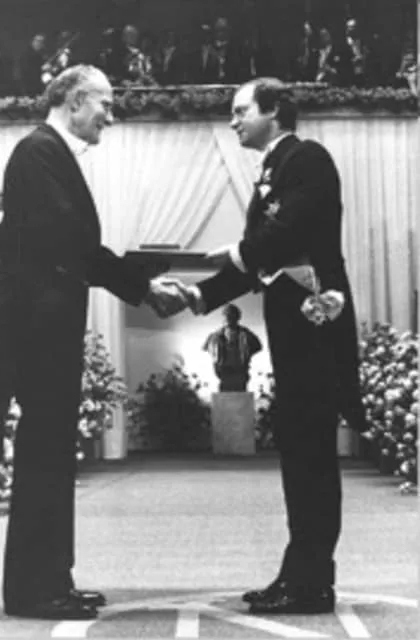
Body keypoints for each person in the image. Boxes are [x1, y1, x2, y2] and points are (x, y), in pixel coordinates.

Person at [0, 64, 187, 621]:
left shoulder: (47, 153)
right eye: (105, 104)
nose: (111, 117)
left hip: (49, 327)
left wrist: (138, 282)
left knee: (53, 453)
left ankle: (52, 579)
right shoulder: (38, 153)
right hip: (41, 331)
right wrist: (142, 286)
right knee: (44, 454)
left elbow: (75, 246)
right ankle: (34, 590)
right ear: (75, 100)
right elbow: (72, 243)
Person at [170, 78, 367, 614]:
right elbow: (265, 257)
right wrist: (200, 295)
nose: (232, 121)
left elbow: (282, 236)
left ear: (274, 110)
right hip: (295, 332)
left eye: (241, 111)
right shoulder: (277, 167)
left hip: (315, 327)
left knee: (312, 454)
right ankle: (300, 573)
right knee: (299, 451)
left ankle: (312, 582)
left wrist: (237, 251)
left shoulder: (307, 159)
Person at [202, 303, 261, 391]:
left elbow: (257, 346)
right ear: (224, 317)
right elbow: (205, 347)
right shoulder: (215, 336)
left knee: (240, 396)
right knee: (224, 396)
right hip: (223, 373)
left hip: (240, 373)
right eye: (227, 315)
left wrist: (246, 355)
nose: (229, 317)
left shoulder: (246, 334)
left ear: (238, 317)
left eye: (232, 315)